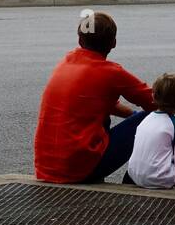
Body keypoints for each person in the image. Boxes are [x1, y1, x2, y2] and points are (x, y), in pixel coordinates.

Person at [33, 11, 155, 184]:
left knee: (118, 119)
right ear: (113, 43)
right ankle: (140, 178)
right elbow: (157, 103)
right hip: (78, 171)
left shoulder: (66, 62)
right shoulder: (111, 72)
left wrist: (131, 116)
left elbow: (105, 103)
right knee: (157, 118)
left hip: (46, 168)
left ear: (80, 41)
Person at [126, 74, 175, 190]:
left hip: (134, 175)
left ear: (153, 95)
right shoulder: (174, 125)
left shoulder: (145, 120)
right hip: (159, 179)